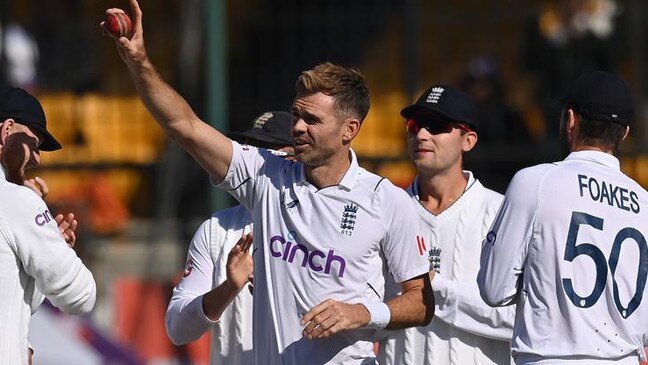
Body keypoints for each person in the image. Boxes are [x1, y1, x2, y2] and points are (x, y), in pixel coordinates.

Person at [104, 1, 434, 364]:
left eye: (312, 119)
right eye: (296, 114)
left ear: (349, 130)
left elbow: (421, 301)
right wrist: (139, 63)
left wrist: (361, 313)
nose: (297, 127)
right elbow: (186, 126)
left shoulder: (387, 201)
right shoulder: (267, 176)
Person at [478, 70, 648, 364]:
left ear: (570, 120)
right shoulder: (645, 203)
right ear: (624, 133)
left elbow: (494, 289)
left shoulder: (535, 181)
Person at [377, 85, 515, 365]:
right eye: (414, 126)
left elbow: (520, 320)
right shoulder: (381, 210)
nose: (422, 135)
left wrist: (434, 286)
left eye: (437, 125)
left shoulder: (501, 212)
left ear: (469, 140)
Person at [165, 111, 295, 365]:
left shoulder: (322, 222)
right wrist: (229, 288)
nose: (255, 162)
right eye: (249, 151)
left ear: (294, 158)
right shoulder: (217, 229)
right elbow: (177, 329)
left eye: (266, 152)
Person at [0, 85, 96, 365]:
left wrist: (42, 250)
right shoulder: (18, 200)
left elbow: (10, 298)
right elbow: (80, 296)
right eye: (34, 143)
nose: (38, 158)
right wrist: (53, 245)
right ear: (7, 130)